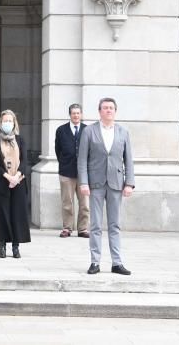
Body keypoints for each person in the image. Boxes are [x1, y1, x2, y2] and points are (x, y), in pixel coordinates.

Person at [78, 97, 134, 276]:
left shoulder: (123, 132)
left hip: (116, 183)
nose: (108, 110)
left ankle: (117, 262)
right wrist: (83, 182)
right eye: (105, 108)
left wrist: (130, 183)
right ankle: (95, 262)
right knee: (94, 225)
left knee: (114, 224)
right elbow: (82, 160)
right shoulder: (89, 131)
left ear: (115, 111)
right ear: (100, 111)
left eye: (111, 108)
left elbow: (129, 160)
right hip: (95, 183)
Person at [0, 110, 31, 259]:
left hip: (19, 183)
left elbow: (25, 161)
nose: (7, 123)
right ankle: (2, 246)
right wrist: (8, 177)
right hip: (2, 183)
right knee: (3, 216)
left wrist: (17, 177)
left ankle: (16, 246)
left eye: (10, 121)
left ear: (14, 123)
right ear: (0, 124)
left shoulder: (20, 141)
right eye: (4, 121)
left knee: (17, 215)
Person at [54, 103, 89, 238]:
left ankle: (83, 229)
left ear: (81, 115)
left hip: (83, 173)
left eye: (78, 113)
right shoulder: (61, 130)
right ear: (70, 115)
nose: (76, 115)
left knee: (85, 203)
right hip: (66, 172)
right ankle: (67, 228)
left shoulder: (87, 130)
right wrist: (64, 162)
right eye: (73, 113)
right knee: (67, 202)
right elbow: (58, 150)